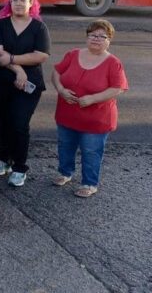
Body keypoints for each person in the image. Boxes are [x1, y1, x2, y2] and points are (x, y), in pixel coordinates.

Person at [51, 20, 128, 198]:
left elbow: (117, 88)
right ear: (87, 37)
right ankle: (65, 173)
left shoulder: (113, 63)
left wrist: (93, 98)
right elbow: (56, 72)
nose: (97, 39)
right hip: (67, 114)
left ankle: (89, 183)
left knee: (91, 151)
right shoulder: (72, 54)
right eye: (93, 35)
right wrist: (61, 90)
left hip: (96, 119)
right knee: (65, 146)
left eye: (103, 36)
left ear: (109, 41)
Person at [0, 0, 50, 187]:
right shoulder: (1, 25)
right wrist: (19, 69)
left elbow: (41, 55)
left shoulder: (39, 27)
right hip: (2, 81)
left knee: (19, 124)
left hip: (29, 86)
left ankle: (19, 167)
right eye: (14, 0)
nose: (18, 3)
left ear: (31, 3)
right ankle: (4, 159)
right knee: (2, 121)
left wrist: (13, 58)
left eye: (23, 0)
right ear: (10, 3)